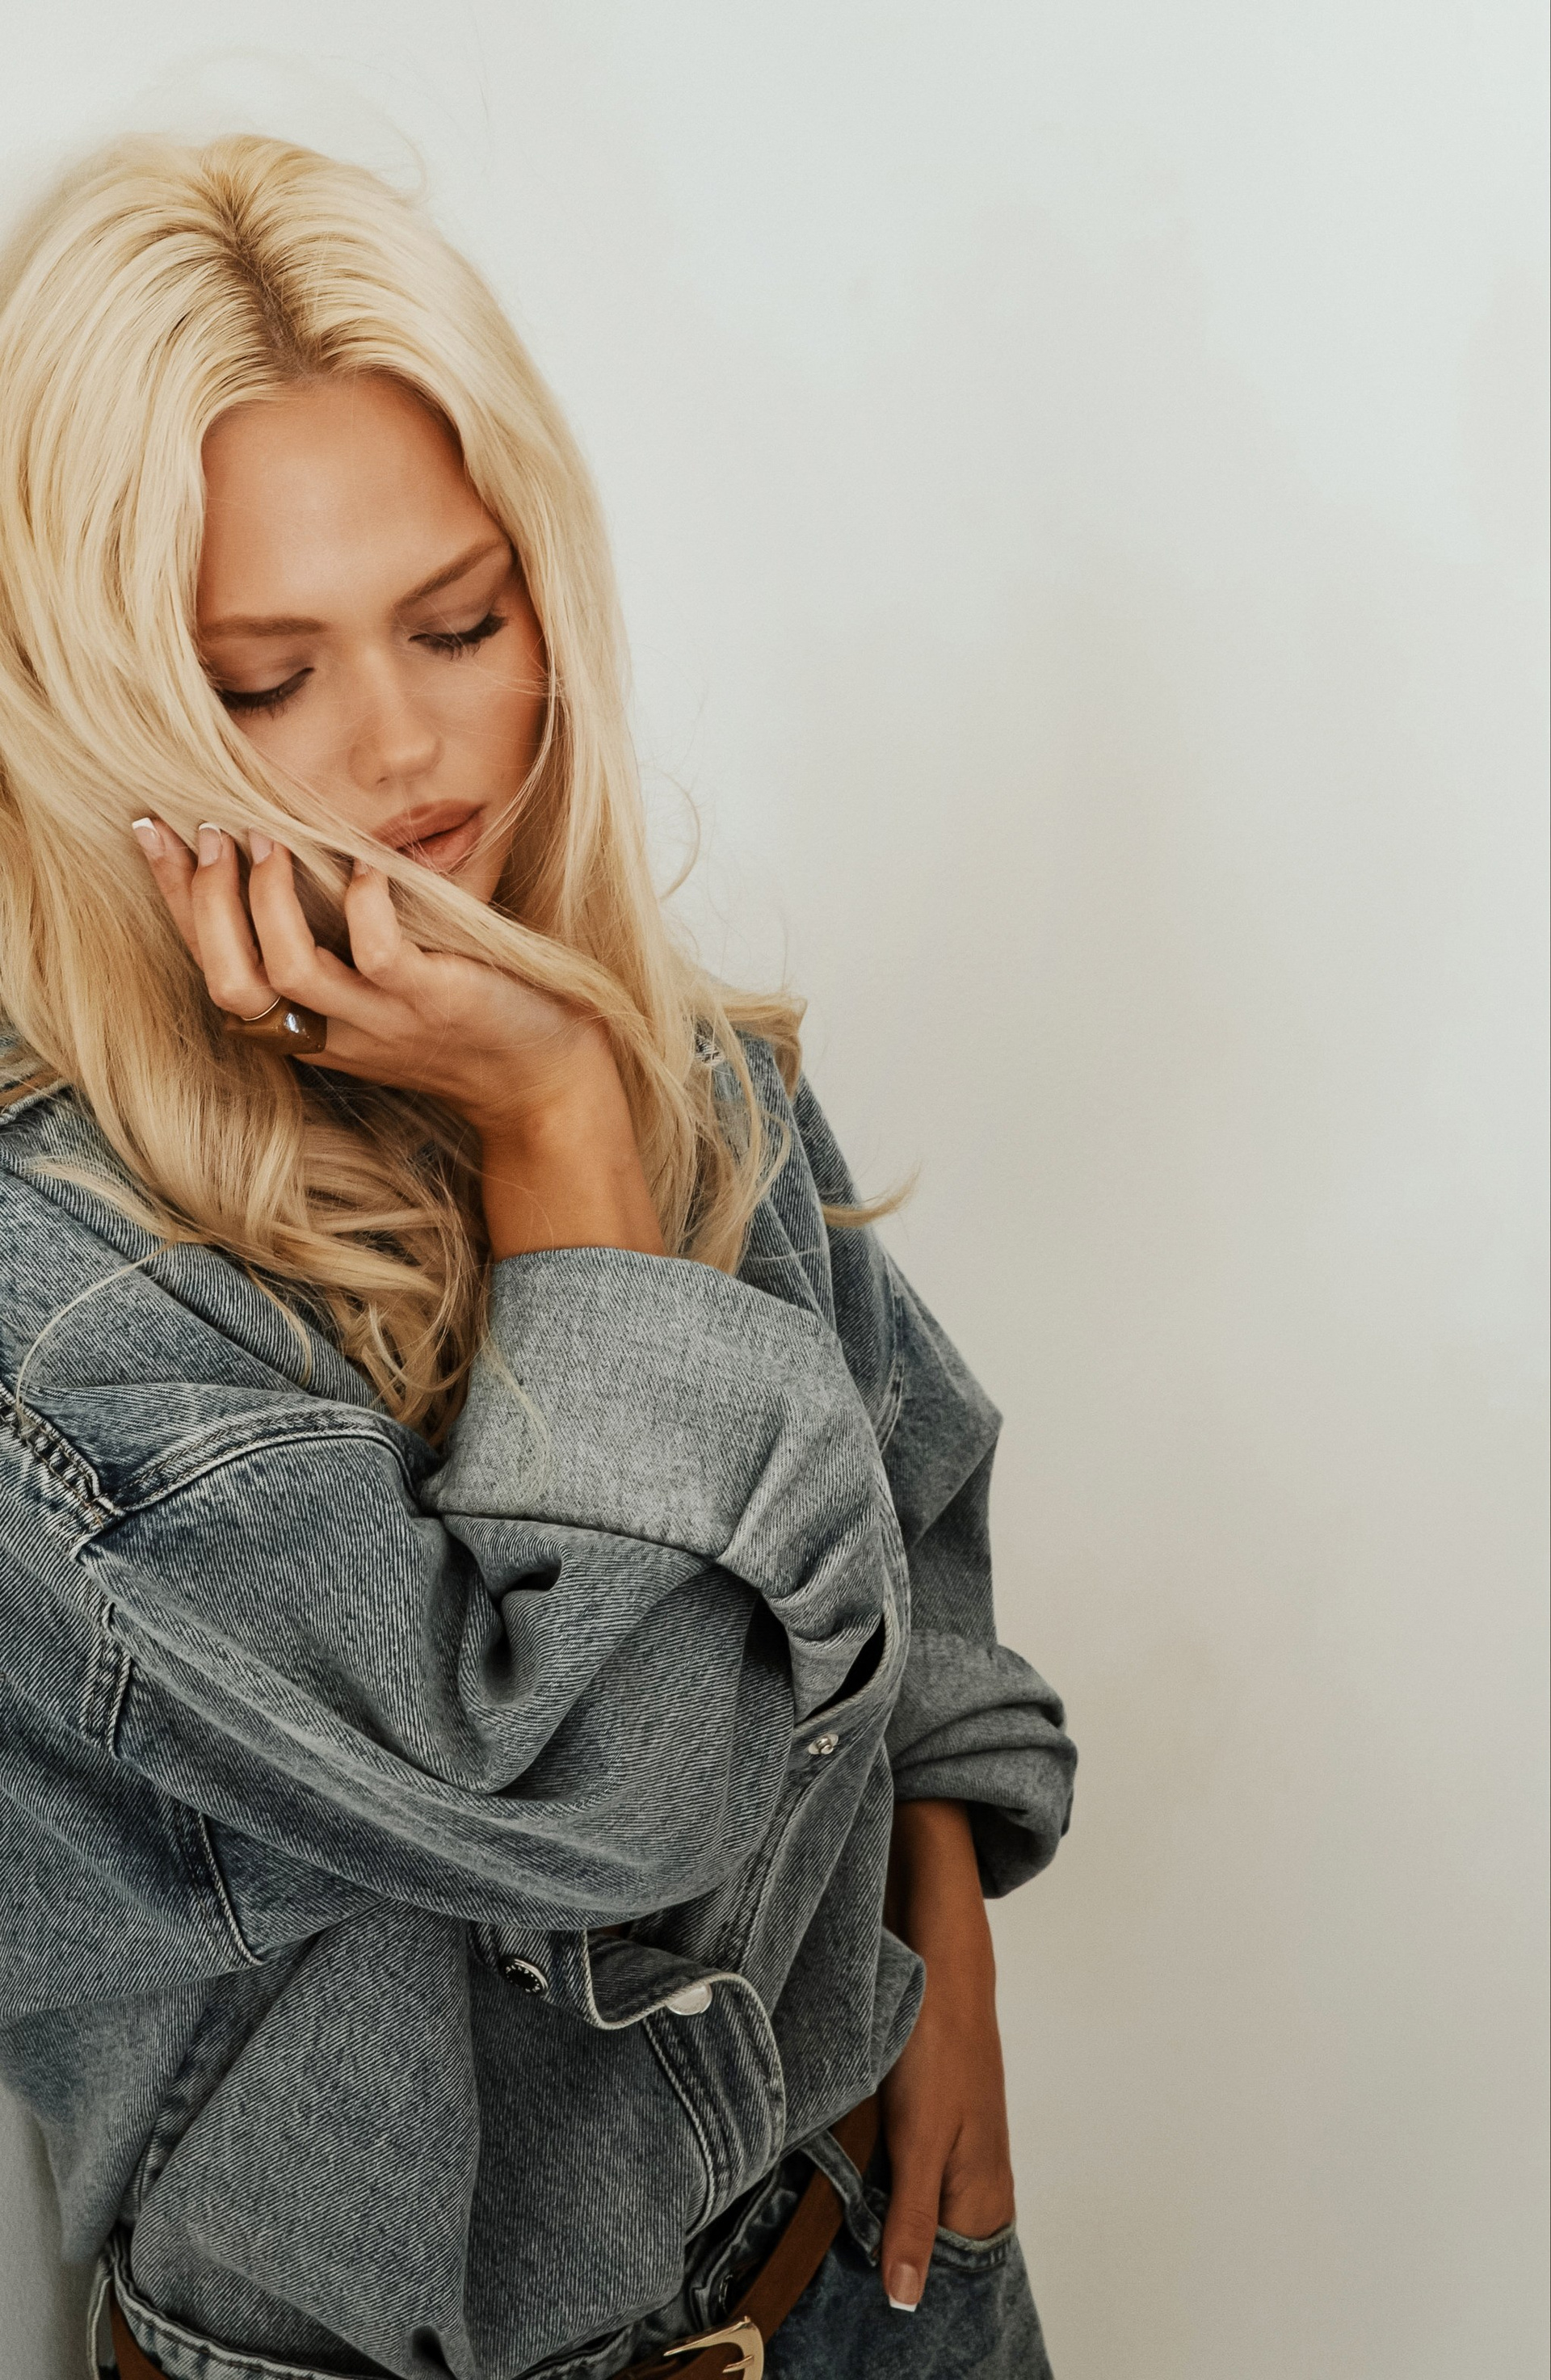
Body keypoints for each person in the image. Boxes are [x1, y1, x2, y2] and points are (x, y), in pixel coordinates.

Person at [0, 133, 1076, 2380]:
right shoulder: (59, 1311)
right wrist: (564, 1134)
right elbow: (604, 1812)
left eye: (462, 624)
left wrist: (944, 1924)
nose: (405, 751)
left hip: (873, 2274)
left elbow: (905, 1466)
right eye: (263, 678)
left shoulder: (609, 1024)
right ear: (92, 706)